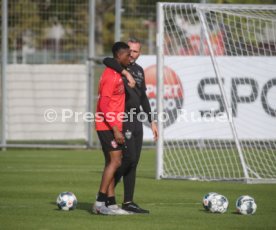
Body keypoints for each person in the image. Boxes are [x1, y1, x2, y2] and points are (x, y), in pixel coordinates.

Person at [103, 38, 158, 214]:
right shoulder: (117, 66)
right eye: (130, 51)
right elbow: (106, 59)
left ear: (139, 53)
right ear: (125, 52)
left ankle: (128, 202)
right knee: (127, 159)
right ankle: (105, 194)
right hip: (123, 118)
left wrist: (152, 120)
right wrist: (125, 73)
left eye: (135, 51)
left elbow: (142, 97)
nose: (132, 54)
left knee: (134, 162)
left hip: (136, 119)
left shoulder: (139, 70)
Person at [93, 41, 135, 215]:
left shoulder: (118, 73)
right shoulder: (111, 76)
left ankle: (110, 204)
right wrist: (116, 129)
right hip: (107, 125)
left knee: (113, 162)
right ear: (119, 56)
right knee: (116, 162)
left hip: (111, 124)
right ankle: (99, 202)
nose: (130, 57)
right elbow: (103, 104)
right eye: (128, 54)